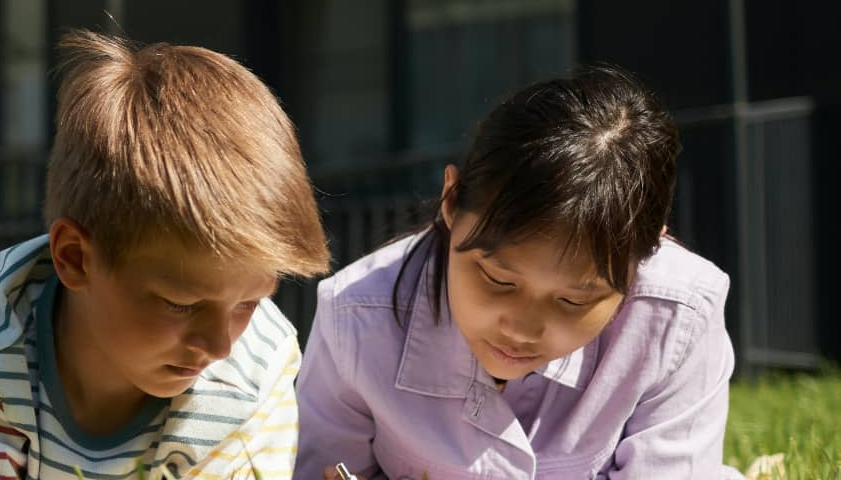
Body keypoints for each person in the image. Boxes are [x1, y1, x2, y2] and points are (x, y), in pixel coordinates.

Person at [0, 31, 330, 479]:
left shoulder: (253, 371)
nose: (219, 346)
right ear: (75, 259)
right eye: (181, 303)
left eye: (248, 304)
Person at [295, 67, 742, 479]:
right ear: (451, 201)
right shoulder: (356, 318)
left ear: (648, 252)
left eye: (573, 300)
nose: (523, 329)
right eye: (498, 280)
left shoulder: (678, 318)